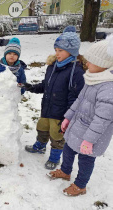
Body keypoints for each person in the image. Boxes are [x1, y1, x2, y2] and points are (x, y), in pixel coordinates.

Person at [48, 38, 113, 196]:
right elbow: (79, 100)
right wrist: (68, 117)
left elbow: (102, 120)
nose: (87, 64)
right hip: (78, 127)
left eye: (90, 61)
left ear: (103, 64)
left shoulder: (108, 89)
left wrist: (89, 140)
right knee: (68, 150)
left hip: (92, 138)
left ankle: (80, 185)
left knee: (86, 161)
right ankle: (65, 171)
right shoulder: (93, 79)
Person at [23, 26, 86, 170]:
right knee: (42, 128)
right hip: (47, 108)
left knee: (57, 137)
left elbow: (75, 97)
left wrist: (68, 116)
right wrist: (32, 87)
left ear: (72, 51)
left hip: (61, 113)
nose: (57, 54)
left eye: (61, 51)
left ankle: (54, 157)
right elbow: (46, 85)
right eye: (56, 50)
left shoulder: (76, 72)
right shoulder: (52, 67)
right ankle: (40, 146)